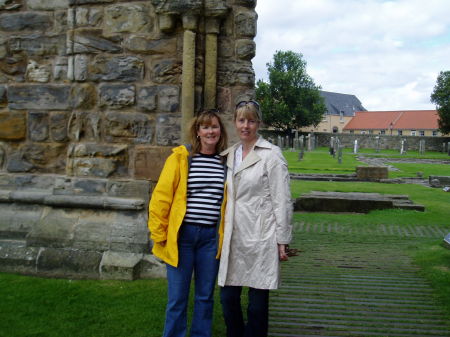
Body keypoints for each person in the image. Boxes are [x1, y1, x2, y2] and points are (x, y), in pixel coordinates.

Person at [148, 110, 228, 337]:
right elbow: (161, 197)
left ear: (220, 131)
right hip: (182, 237)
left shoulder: (226, 162)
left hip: (210, 239)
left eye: (214, 126)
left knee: (205, 296)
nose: (210, 131)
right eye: (205, 127)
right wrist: (159, 233)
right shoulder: (181, 158)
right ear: (197, 131)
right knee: (177, 298)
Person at [218, 100, 293, 337]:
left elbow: (282, 199)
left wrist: (282, 240)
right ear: (235, 123)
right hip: (234, 235)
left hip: (262, 236)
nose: (246, 126)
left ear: (258, 123)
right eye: (241, 120)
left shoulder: (271, 155)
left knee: (257, 304)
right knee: (228, 298)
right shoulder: (229, 155)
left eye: (251, 120)